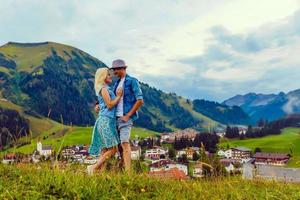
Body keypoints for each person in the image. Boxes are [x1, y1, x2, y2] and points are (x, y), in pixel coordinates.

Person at [87, 68, 123, 175]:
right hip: (106, 121)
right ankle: (93, 167)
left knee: (105, 150)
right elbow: (110, 105)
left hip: (106, 121)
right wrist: (119, 96)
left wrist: (97, 105)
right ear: (103, 77)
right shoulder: (104, 89)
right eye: (108, 75)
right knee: (113, 149)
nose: (110, 76)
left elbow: (102, 104)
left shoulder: (106, 88)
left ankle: (101, 174)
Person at [111, 59, 144, 173]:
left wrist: (128, 115)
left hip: (125, 119)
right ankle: (121, 169)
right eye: (113, 69)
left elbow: (140, 100)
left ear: (123, 69)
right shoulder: (116, 84)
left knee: (125, 143)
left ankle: (128, 173)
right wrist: (97, 105)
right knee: (117, 147)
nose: (114, 72)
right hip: (115, 118)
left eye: (116, 69)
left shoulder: (132, 81)